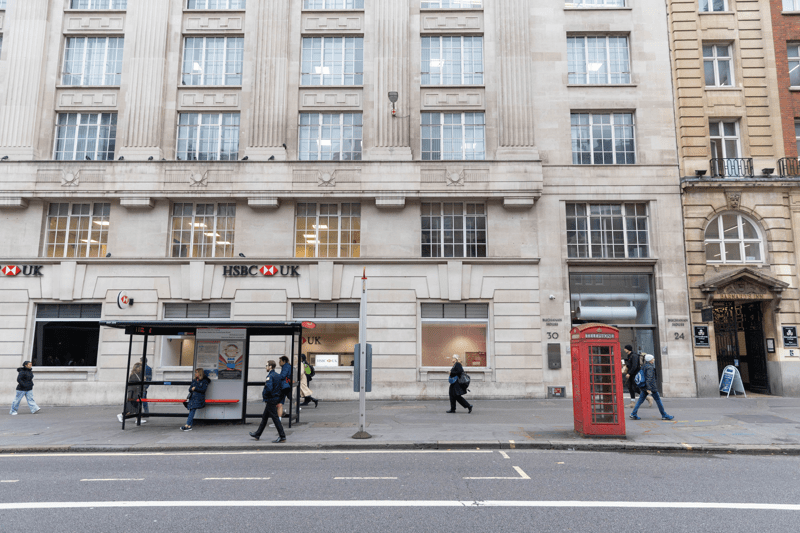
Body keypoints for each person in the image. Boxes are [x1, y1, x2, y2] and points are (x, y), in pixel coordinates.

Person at [249, 360, 287, 443]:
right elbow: (281, 388)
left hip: (271, 400)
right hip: (275, 398)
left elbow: (269, 388)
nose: (265, 367)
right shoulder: (278, 375)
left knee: (275, 419)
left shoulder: (270, 376)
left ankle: (282, 436)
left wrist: (265, 396)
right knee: (264, 417)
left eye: (266, 365)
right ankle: (257, 434)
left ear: (270, 367)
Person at [629, 354, 674, 421]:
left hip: (644, 387)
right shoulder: (650, 367)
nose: (654, 359)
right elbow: (649, 378)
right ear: (650, 360)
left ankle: (633, 414)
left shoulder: (644, 366)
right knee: (658, 400)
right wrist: (649, 389)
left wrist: (646, 388)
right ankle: (664, 415)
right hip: (651, 387)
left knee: (640, 401)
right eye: (653, 358)